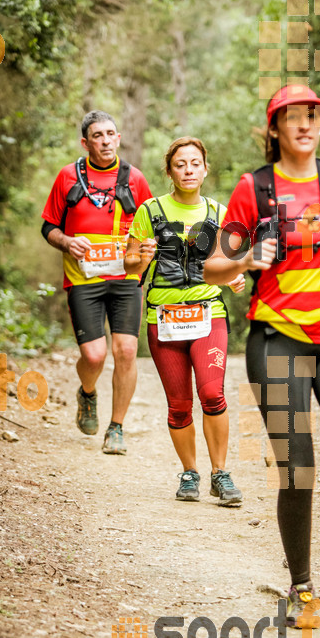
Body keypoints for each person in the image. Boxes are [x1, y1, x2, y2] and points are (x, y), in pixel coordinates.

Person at [204, 86, 320, 624]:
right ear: (274, 128)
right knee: (298, 467)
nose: (305, 125)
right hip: (277, 337)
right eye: (293, 118)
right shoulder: (253, 187)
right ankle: (300, 587)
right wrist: (249, 259)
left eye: (313, 117)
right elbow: (213, 266)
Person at [124, 137, 245, 505]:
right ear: (170, 171)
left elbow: (227, 266)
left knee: (212, 393)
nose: (189, 170)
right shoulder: (149, 211)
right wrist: (141, 257)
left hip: (209, 314)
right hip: (164, 319)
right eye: (181, 164)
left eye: (195, 163)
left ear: (205, 168)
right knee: (178, 405)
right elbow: (129, 267)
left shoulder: (219, 212)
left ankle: (220, 474)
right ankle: (189, 473)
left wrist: (235, 278)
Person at [41, 110, 152, 454]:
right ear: (85, 142)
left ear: (118, 138)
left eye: (111, 134)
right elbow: (48, 227)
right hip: (83, 279)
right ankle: (87, 393)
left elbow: (149, 228)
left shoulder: (135, 178)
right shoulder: (66, 177)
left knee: (127, 351)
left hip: (125, 277)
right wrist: (67, 242)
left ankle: (116, 428)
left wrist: (145, 250)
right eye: (98, 135)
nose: (105, 140)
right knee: (94, 355)